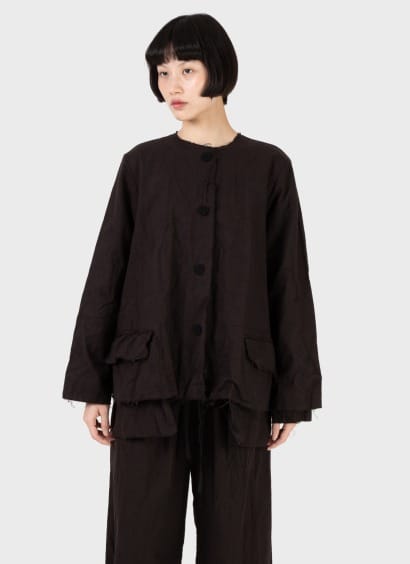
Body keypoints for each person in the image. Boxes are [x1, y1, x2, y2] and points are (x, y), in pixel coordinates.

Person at [62, 12, 322, 564]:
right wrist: (92, 386)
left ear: (219, 71)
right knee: (138, 546)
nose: (171, 86)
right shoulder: (142, 166)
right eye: (162, 72)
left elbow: (289, 284)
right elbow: (106, 275)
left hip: (238, 387)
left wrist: (293, 394)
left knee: (238, 548)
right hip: (147, 383)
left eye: (186, 69)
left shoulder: (269, 168)